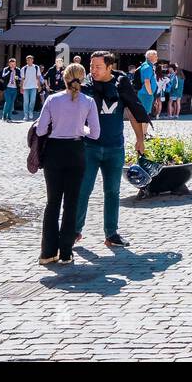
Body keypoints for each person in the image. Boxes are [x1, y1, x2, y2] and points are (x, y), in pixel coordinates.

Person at [76, 50, 152, 248]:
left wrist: (140, 139)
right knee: (83, 189)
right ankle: (74, 231)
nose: (93, 70)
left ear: (110, 67)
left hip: (114, 147)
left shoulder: (120, 85)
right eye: (91, 66)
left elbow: (132, 110)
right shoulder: (86, 87)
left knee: (112, 191)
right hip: (89, 147)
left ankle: (111, 234)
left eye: (98, 67)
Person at [37, 64, 101, 265]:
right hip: (76, 152)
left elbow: (40, 131)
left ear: (63, 79)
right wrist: (79, 128)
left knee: (52, 203)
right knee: (71, 204)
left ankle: (48, 253)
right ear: (82, 80)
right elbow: (95, 134)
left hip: (54, 152)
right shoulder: (88, 101)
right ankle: (66, 252)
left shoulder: (52, 99)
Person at [18, 54, 44, 122]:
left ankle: (31, 113)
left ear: (33, 60)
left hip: (34, 87)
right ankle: (26, 115)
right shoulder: (24, 68)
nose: (29, 61)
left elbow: (38, 77)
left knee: (32, 101)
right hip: (25, 87)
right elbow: (22, 79)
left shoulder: (36, 67)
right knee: (26, 102)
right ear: (26, 61)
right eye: (28, 60)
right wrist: (21, 87)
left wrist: (39, 86)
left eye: (30, 59)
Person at [136, 50, 158, 118]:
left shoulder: (148, 66)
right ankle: (142, 129)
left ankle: (143, 128)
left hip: (146, 93)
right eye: (156, 56)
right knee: (145, 115)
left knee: (145, 114)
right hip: (146, 94)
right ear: (150, 57)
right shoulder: (147, 67)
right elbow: (147, 81)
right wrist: (150, 93)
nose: (157, 57)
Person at [0, 58, 21, 122]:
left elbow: (21, 78)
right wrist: (10, 71)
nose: (12, 65)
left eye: (14, 64)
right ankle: (4, 116)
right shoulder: (6, 69)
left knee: (11, 103)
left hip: (14, 88)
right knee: (8, 102)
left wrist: (18, 78)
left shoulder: (18, 70)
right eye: (11, 64)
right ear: (9, 64)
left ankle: (9, 117)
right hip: (7, 88)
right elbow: (3, 76)